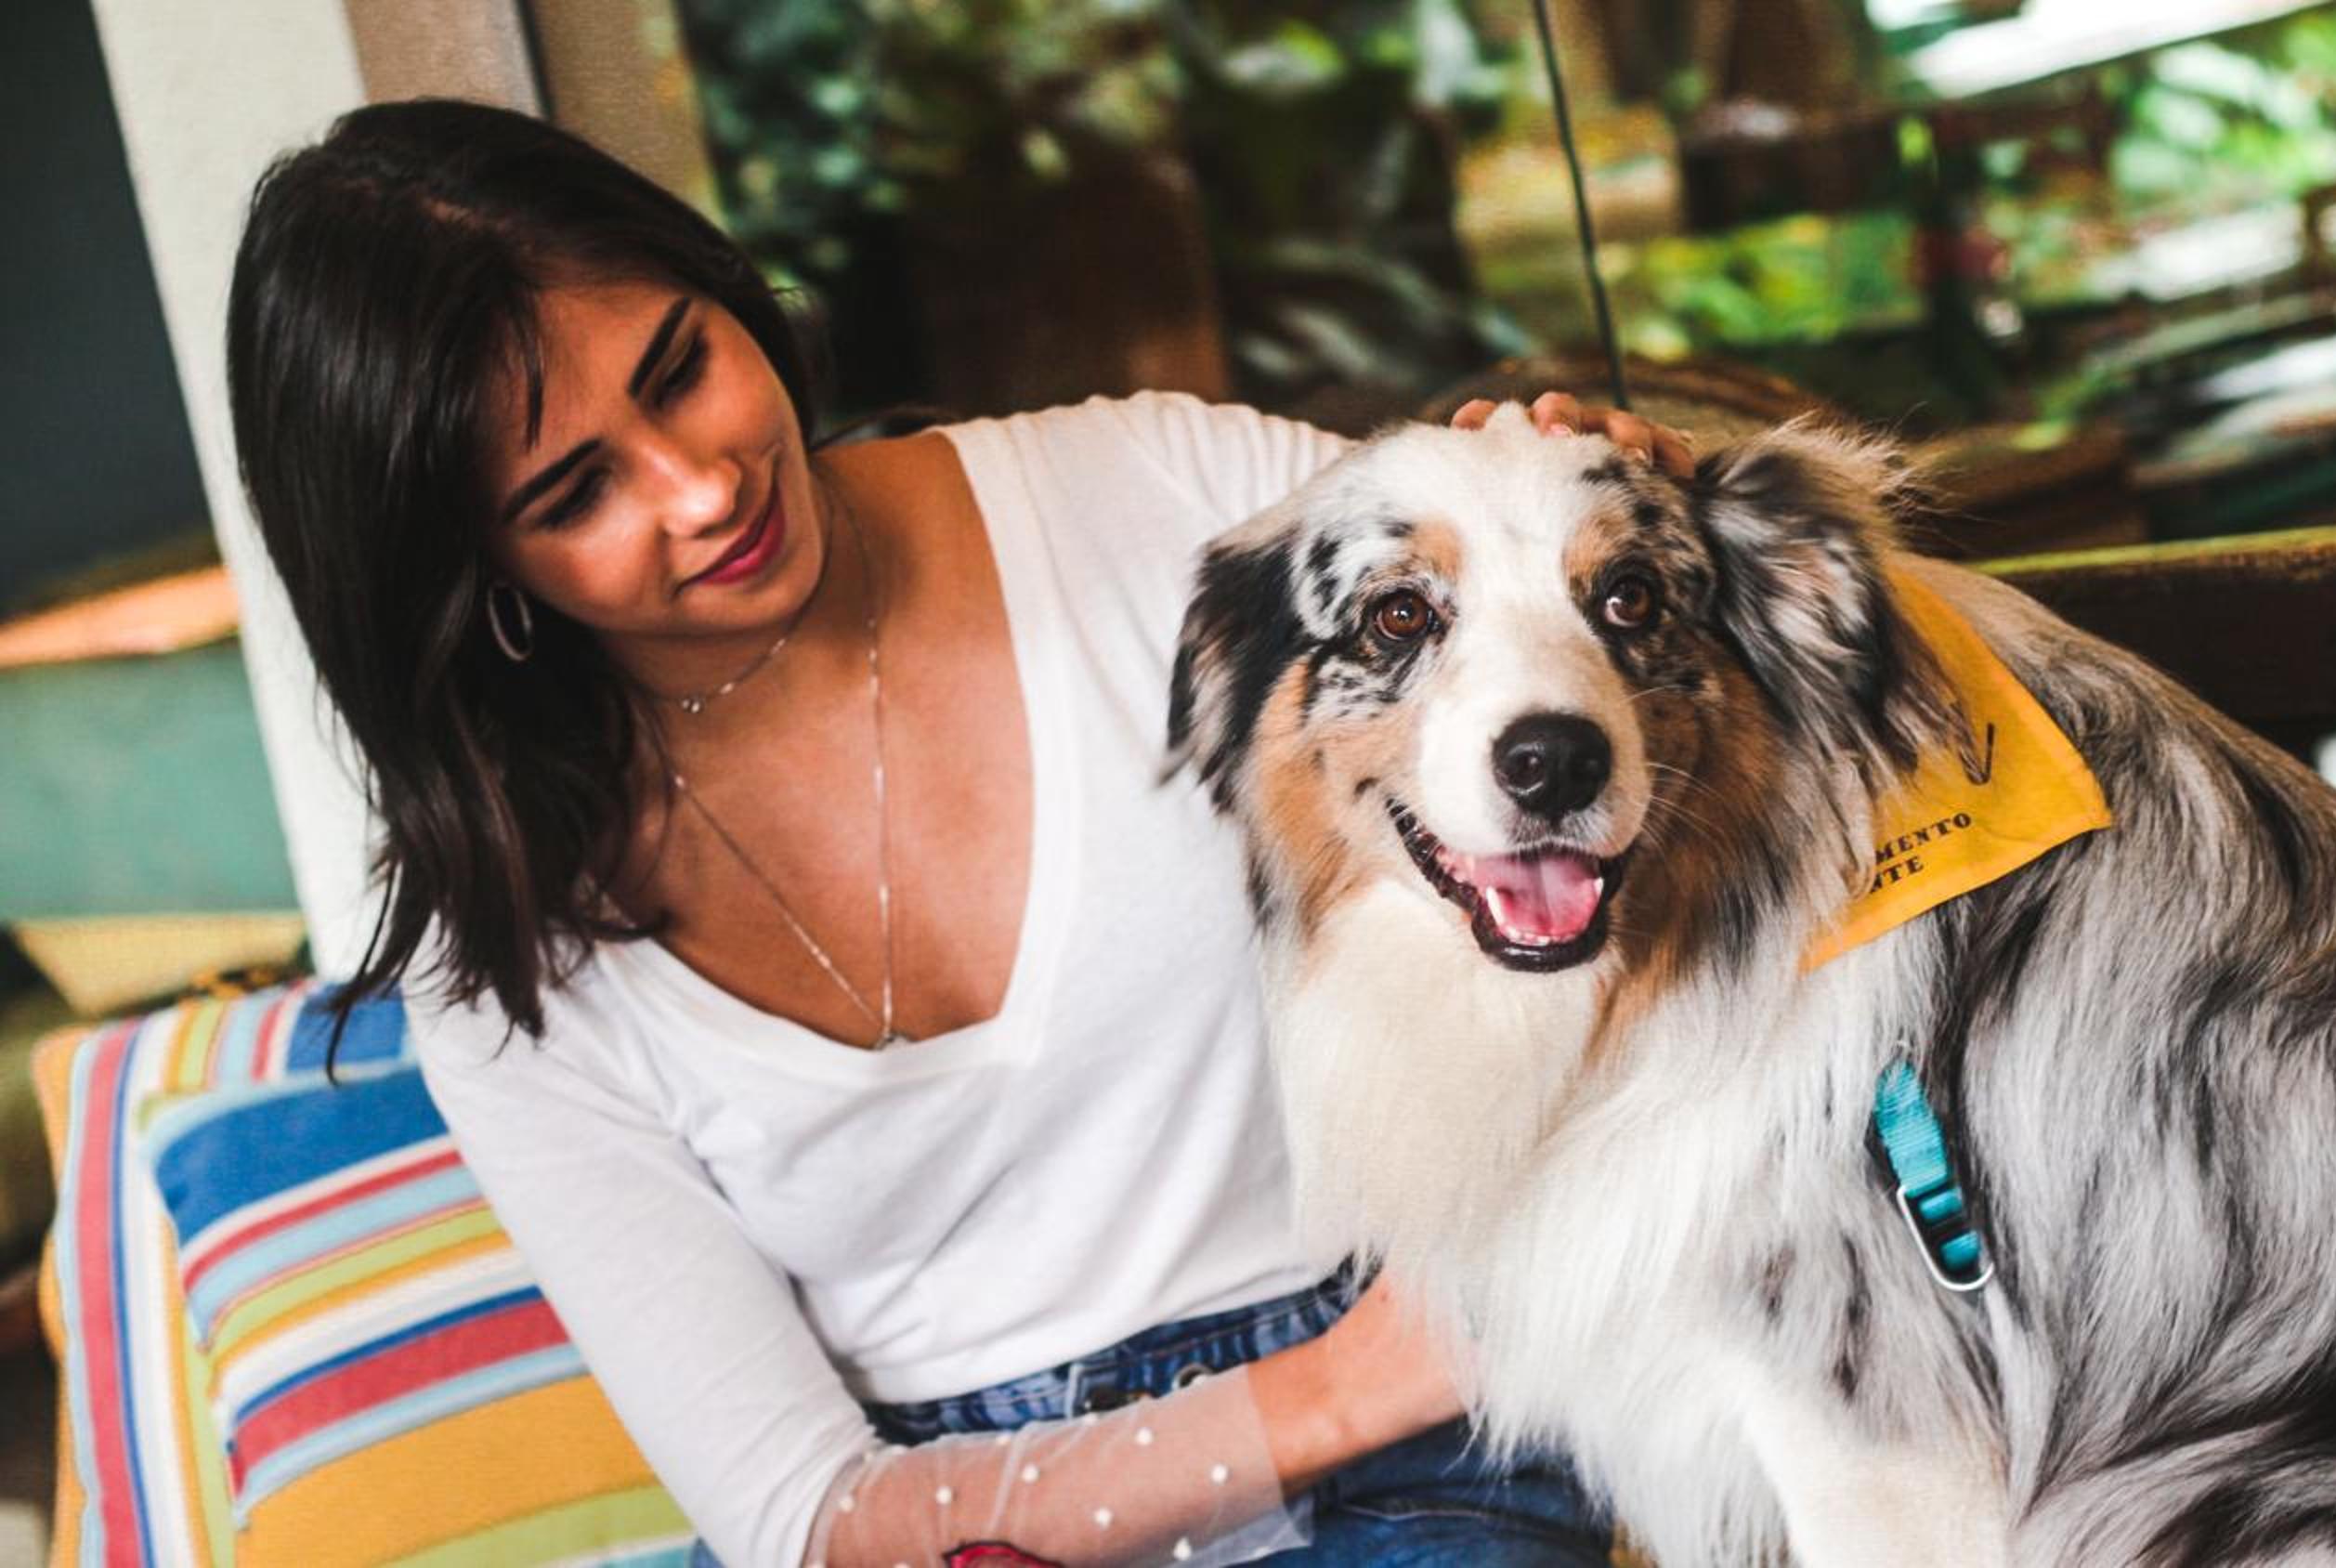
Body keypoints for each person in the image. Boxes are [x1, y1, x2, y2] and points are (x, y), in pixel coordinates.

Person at [226, 98, 1691, 1568]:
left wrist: (1593, 505)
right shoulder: (503, 950)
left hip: (1421, 1464)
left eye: (679, 372)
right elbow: (805, 1516)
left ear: (724, 289)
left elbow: (1584, 653)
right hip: (967, 1519)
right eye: (577, 492)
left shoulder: (1159, 499)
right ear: (476, 573)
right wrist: (1347, 1385)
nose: (703, 486)